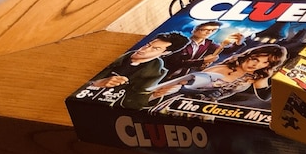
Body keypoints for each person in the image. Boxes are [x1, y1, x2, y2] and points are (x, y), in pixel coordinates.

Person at [148, 44, 288, 108]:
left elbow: (265, 95)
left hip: (205, 107)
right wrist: (201, 92)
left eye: (265, 63)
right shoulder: (222, 69)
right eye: (255, 59)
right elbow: (182, 85)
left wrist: (282, 76)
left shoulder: (256, 75)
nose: (256, 65)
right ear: (249, 55)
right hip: (181, 101)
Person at [86, 31, 190, 109]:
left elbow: (131, 103)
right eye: (148, 45)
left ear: (165, 53)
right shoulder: (117, 53)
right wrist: (94, 84)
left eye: (155, 49)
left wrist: (155, 95)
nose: (144, 49)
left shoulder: (155, 72)